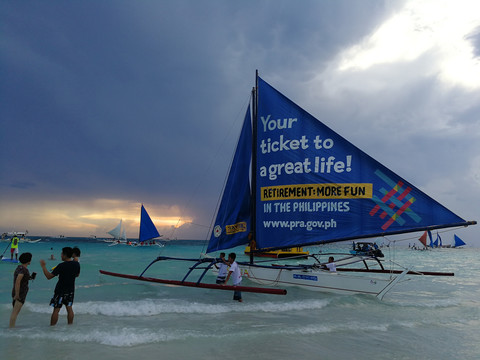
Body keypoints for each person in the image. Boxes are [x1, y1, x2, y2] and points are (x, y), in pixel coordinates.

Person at [40, 247, 80, 326]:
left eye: (62, 254)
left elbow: (49, 276)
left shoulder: (61, 265)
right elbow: (77, 275)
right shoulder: (76, 264)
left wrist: (43, 266)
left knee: (56, 310)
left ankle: (52, 328)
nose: (61, 255)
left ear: (65, 255)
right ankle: (70, 326)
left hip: (60, 290)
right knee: (69, 308)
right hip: (71, 290)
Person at [10, 252, 36, 327]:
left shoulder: (19, 268)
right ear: (28, 261)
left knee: (15, 312)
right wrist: (17, 295)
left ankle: (11, 328)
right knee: (15, 313)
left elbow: (21, 279)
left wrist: (30, 277)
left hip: (17, 292)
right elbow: (18, 281)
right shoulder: (23, 270)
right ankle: (11, 330)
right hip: (19, 293)